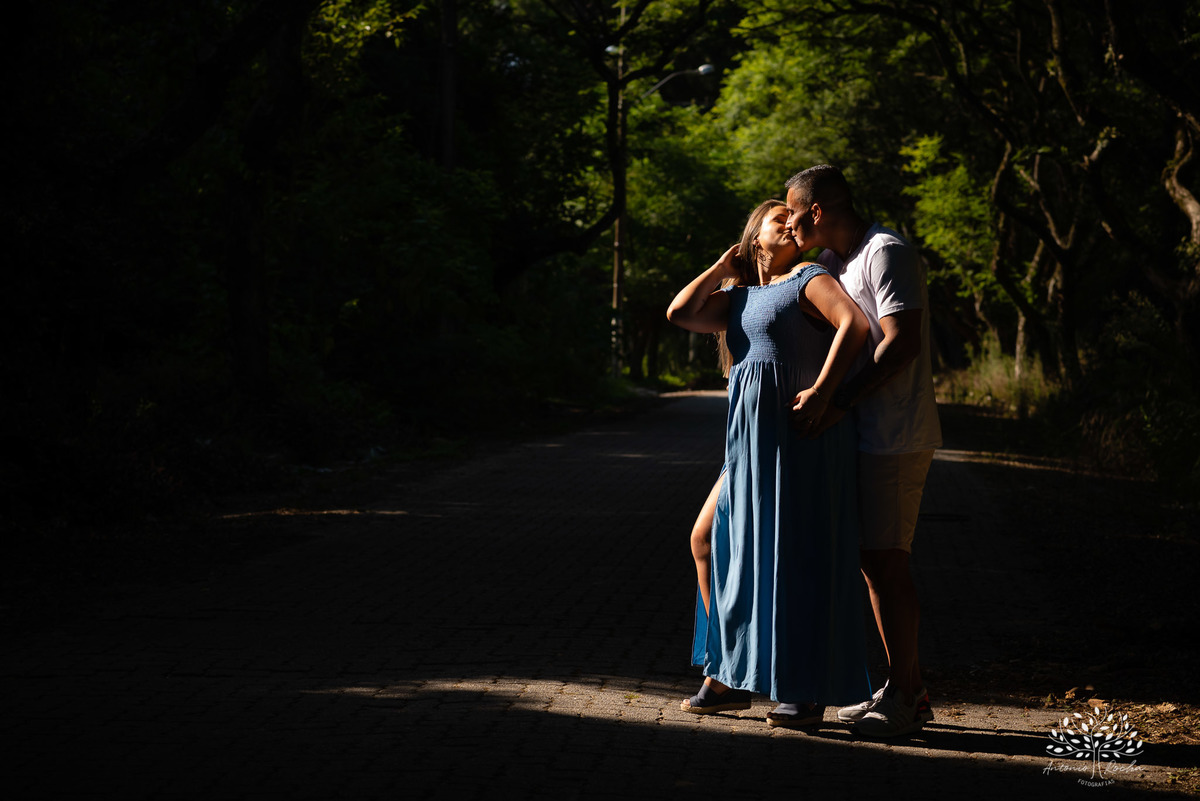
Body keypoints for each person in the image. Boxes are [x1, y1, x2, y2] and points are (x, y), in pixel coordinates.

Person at [666, 199, 872, 727]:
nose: (792, 224)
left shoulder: (807, 276)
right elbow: (681, 312)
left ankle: (804, 687)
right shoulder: (740, 296)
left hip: (799, 440)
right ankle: (728, 670)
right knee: (708, 541)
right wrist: (722, 266)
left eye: (795, 218)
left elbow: (853, 324)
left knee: (795, 559)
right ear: (755, 236)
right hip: (747, 450)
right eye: (779, 218)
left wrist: (824, 393)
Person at [783, 165, 942, 738]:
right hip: (860, 433)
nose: (790, 221)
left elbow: (902, 343)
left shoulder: (885, 251)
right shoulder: (835, 264)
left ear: (817, 210)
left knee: (886, 564)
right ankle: (899, 686)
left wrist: (838, 401)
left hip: (894, 434)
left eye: (793, 211)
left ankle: (909, 695)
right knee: (869, 564)